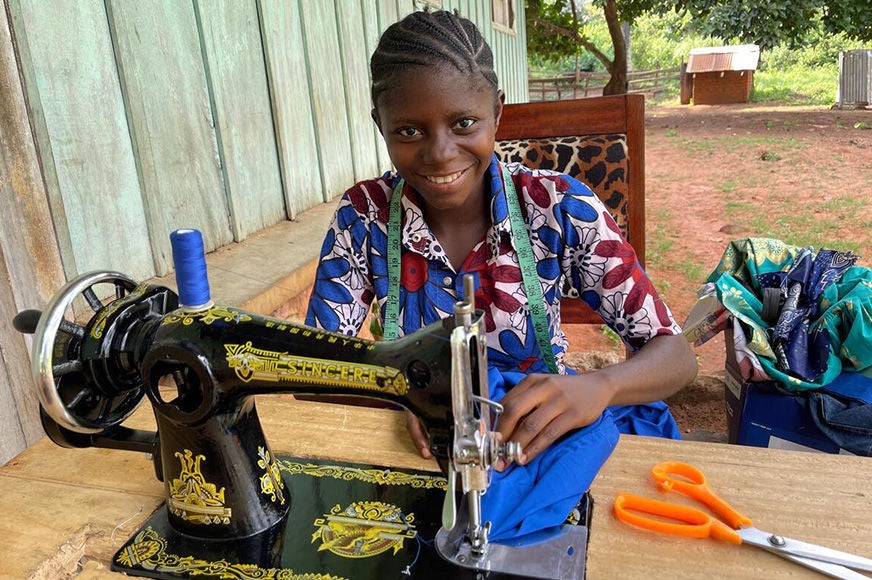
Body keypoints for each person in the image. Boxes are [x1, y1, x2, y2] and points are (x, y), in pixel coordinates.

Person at [306, 9, 697, 541]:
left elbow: (675, 356)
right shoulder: (363, 217)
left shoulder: (558, 207)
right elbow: (318, 368)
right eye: (408, 130)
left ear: (497, 112)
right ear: (381, 126)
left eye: (463, 123)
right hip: (414, 453)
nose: (440, 152)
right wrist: (402, 393)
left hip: (538, 442)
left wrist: (598, 387)